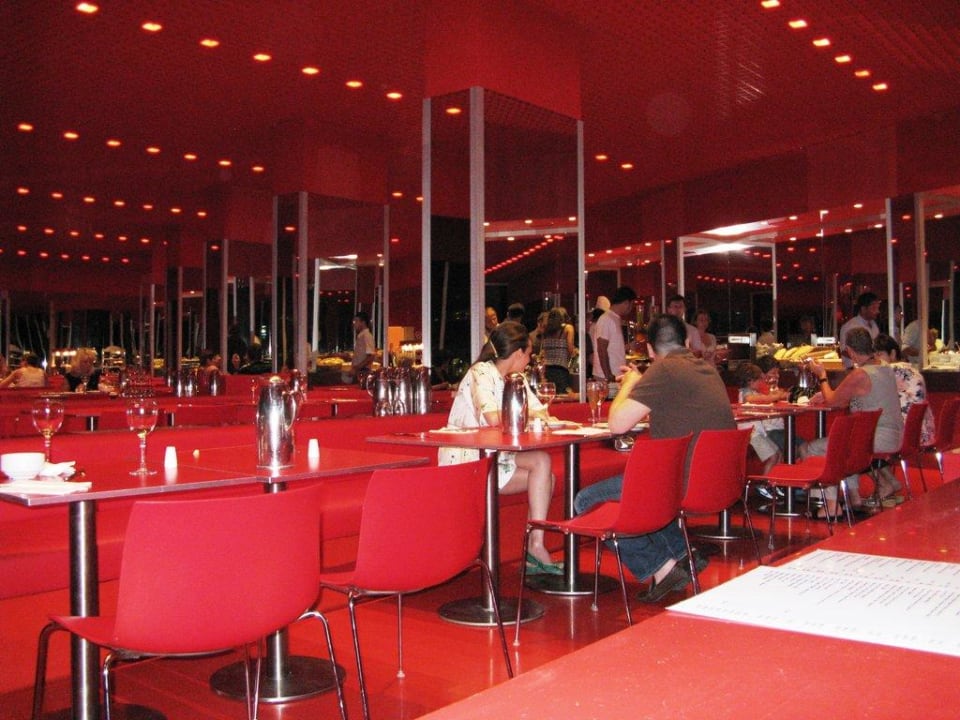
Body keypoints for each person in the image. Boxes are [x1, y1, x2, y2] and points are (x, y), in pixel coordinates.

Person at [574, 314, 736, 602]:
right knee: (649, 487)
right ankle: (684, 555)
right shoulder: (707, 370)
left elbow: (617, 425)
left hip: (681, 484)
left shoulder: (663, 370)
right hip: (716, 481)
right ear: (687, 342)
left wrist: (630, 383)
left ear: (650, 350)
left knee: (587, 500)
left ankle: (662, 568)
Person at [438, 321, 560, 574]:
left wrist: (536, 416)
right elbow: (493, 418)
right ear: (518, 353)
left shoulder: (517, 379)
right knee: (545, 476)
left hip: (496, 456)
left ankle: (535, 546)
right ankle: (532, 550)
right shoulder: (480, 373)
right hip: (467, 460)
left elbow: (542, 412)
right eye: (528, 354)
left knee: (543, 464)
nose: (529, 360)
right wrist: (532, 417)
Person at [802, 327, 903, 516]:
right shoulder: (883, 366)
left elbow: (833, 401)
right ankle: (853, 498)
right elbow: (857, 395)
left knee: (813, 448)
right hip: (892, 433)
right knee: (848, 439)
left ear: (849, 350)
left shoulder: (861, 374)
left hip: (878, 436)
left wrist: (822, 375)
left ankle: (829, 505)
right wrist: (828, 394)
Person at [874, 334, 936, 448]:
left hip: (905, 437)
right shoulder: (912, 370)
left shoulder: (890, 370)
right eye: (873, 356)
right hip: (924, 434)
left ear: (892, 354)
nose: (876, 360)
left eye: (879, 354)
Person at [736, 362, 787, 474]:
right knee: (773, 457)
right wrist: (776, 396)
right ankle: (765, 482)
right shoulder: (745, 393)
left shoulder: (754, 392)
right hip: (751, 434)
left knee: (778, 454)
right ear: (750, 381)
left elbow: (764, 397)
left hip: (758, 432)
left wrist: (775, 395)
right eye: (759, 380)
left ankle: (773, 480)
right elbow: (757, 399)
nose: (761, 382)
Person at [592, 286, 637, 397]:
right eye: (632, 305)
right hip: (607, 376)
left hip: (615, 375)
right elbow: (601, 349)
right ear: (626, 303)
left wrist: (627, 347)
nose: (631, 309)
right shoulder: (606, 319)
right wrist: (608, 375)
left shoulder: (614, 318)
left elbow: (612, 347)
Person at [539, 307, 576, 394]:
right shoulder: (568, 328)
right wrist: (575, 352)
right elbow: (570, 349)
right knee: (563, 395)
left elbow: (543, 350)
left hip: (547, 370)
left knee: (550, 395)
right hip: (561, 369)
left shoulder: (545, 330)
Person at [839, 291, 881, 368]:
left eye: (878, 308)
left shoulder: (874, 325)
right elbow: (844, 350)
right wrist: (864, 357)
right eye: (874, 308)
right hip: (853, 368)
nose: (877, 311)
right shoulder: (850, 326)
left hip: (870, 367)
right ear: (863, 309)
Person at [351, 311, 376, 379]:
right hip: (360, 371)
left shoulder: (366, 336)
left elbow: (370, 356)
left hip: (363, 371)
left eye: (356, 321)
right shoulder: (362, 336)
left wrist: (357, 368)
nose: (354, 324)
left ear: (363, 322)